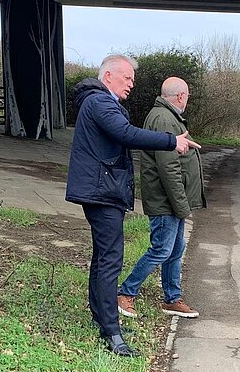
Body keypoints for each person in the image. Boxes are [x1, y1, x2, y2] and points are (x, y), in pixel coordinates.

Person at [65, 55, 200, 357]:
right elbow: (126, 134)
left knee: (104, 257)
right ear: (109, 75)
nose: (131, 84)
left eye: (132, 80)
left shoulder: (100, 102)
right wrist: (171, 141)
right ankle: (112, 332)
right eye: (127, 78)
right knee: (111, 258)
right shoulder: (100, 102)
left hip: (103, 190)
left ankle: (102, 319)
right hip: (101, 192)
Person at [118, 77, 206, 320]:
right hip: (165, 201)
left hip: (170, 201)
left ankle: (172, 299)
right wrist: (181, 205)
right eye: (187, 96)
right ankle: (126, 293)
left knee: (176, 248)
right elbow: (168, 167)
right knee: (161, 250)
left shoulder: (166, 116)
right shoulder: (164, 118)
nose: (186, 101)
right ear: (180, 96)